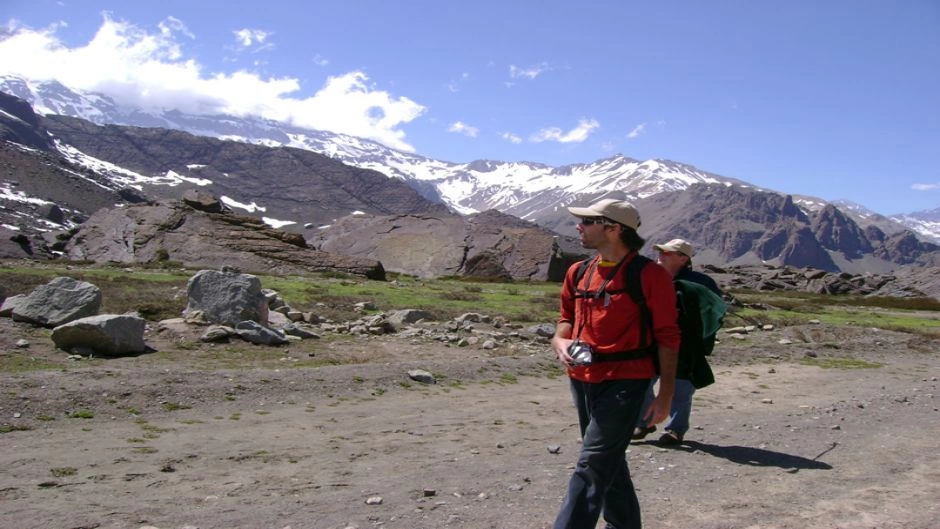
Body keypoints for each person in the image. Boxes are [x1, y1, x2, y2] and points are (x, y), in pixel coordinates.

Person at [551, 199, 681, 529]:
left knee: (593, 462)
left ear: (614, 229)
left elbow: (668, 337)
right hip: (582, 377)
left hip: (627, 380)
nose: (578, 227)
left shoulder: (650, 275)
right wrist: (559, 340)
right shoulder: (578, 272)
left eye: (587, 221)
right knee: (607, 457)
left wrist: (665, 395)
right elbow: (566, 318)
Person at [633, 238, 724, 447]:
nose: (661, 255)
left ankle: (675, 430)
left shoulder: (700, 283)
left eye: (667, 253)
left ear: (683, 258)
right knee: (641, 381)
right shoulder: (653, 278)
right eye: (660, 252)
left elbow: (713, 311)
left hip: (686, 345)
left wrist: (702, 338)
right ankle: (645, 422)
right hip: (652, 342)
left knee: (681, 388)